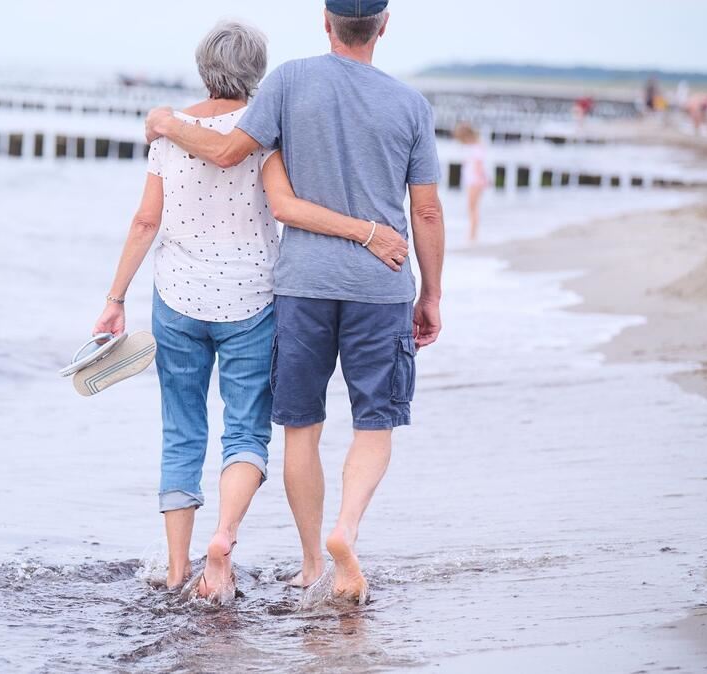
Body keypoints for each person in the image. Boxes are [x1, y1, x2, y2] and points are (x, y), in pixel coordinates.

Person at [92, 20, 406, 602]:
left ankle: (177, 567)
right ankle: (225, 537)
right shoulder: (267, 130)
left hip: (177, 296)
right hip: (253, 300)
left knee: (181, 431)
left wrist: (114, 300)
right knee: (245, 432)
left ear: (201, 63)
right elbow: (283, 204)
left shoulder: (169, 131)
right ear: (257, 72)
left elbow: (144, 221)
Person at [455, 122, 487, 242]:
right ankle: (472, 234)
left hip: (475, 181)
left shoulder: (476, 147)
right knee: (473, 208)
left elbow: (479, 166)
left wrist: (483, 179)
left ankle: (472, 236)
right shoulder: (475, 147)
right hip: (473, 180)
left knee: (472, 208)